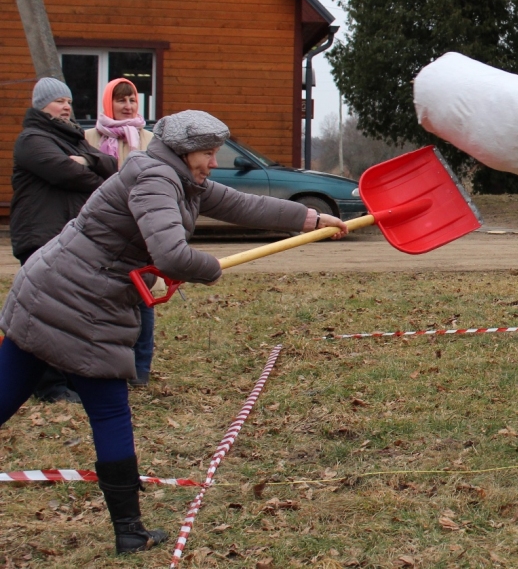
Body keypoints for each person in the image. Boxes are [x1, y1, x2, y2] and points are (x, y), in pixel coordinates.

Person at [0, 110, 347, 554]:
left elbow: (243, 204)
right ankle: (130, 532)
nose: (214, 162)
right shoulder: (156, 180)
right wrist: (211, 268)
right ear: (184, 151)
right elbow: (171, 254)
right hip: (78, 303)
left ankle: (129, 530)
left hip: (54, 291)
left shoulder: (180, 179)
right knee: (108, 413)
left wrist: (311, 219)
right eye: (207, 152)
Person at [9, 77, 119, 403]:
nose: (67, 106)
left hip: (70, 237)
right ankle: (49, 386)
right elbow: (64, 173)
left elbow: (112, 165)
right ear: (41, 105)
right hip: (40, 235)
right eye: (58, 101)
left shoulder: (74, 139)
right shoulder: (31, 139)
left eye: (68, 101)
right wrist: (93, 173)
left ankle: (71, 380)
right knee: (43, 312)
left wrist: (87, 160)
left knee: (72, 311)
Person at [85, 79, 157, 387]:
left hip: (138, 229)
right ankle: (98, 366)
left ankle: (140, 368)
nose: (127, 106)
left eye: (132, 100)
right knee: (99, 298)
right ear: (107, 103)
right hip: (100, 230)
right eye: (120, 100)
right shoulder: (88, 138)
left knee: (142, 296)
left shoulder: (149, 140)